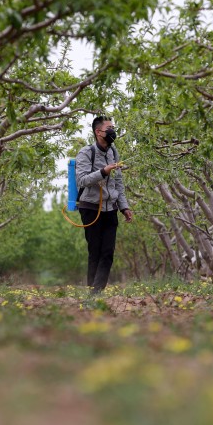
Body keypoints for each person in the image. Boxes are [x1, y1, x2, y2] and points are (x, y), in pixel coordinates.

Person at [76, 115, 134, 293]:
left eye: (113, 128)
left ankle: (96, 291)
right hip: (91, 208)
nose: (112, 131)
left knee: (108, 252)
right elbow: (82, 180)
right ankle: (92, 292)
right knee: (95, 251)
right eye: (109, 128)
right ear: (98, 132)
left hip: (111, 209)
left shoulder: (113, 152)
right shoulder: (86, 152)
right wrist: (103, 171)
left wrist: (124, 207)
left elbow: (118, 182)